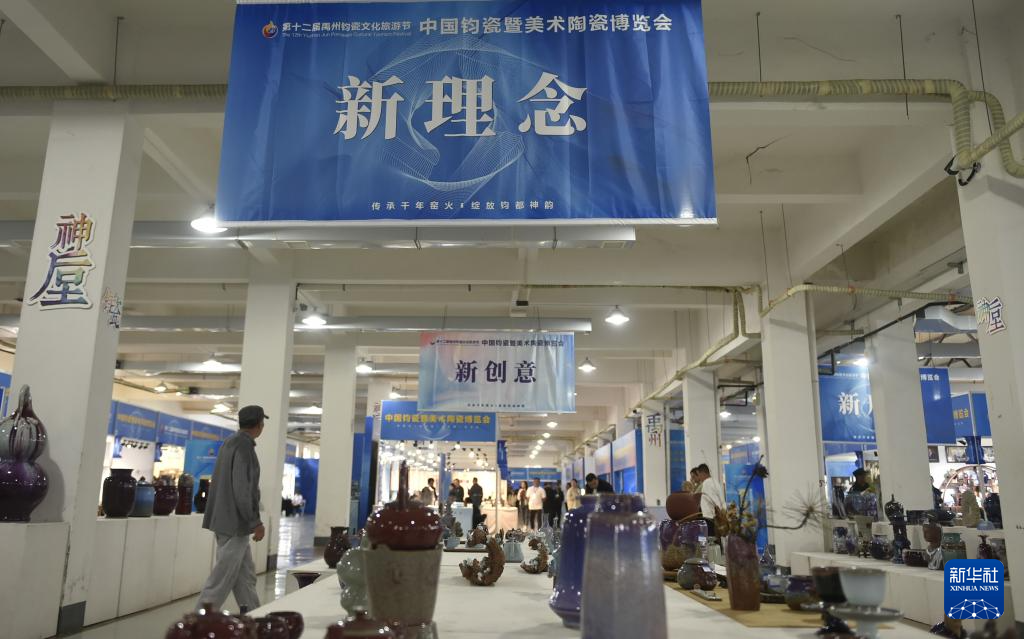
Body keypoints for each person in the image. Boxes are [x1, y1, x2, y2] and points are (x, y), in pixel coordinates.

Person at [197, 405, 267, 613]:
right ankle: (198, 621)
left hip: (224, 521)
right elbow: (243, 490)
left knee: (245, 577)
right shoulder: (244, 448)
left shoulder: (229, 442)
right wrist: (256, 522)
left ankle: (254, 615)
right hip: (234, 524)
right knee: (221, 579)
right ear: (258, 425)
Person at [694, 464, 723, 536]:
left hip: (710, 518)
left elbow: (712, 500)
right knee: (716, 539)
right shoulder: (715, 482)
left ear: (702, 473)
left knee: (710, 539)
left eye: (699, 475)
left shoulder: (706, 483)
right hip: (716, 518)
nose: (699, 478)